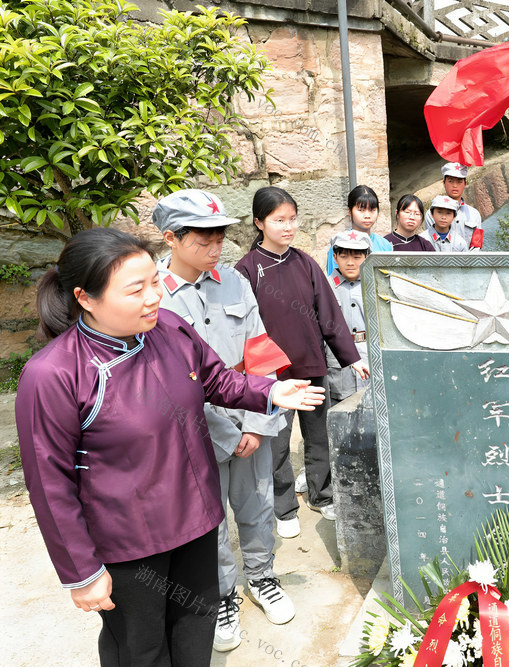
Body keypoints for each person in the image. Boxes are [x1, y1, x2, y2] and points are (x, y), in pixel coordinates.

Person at [16, 227, 324, 666]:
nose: (153, 297)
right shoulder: (54, 374)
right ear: (85, 298)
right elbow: (49, 482)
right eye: (135, 289)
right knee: (141, 649)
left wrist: (270, 392)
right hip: (129, 544)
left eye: (154, 282)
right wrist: (81, 571)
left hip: (196, 521)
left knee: (195, 630)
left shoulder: (170, 329)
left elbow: (217, 379)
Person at [151, 190, 295, 653]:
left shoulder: (235, 282)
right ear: (171, 238)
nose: (216, 247)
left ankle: (262, 576)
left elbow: (260, 352)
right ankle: (222, 594)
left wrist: (255, 424)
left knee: (257, 504)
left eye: (220, 237)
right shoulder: (153, 296)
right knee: (208, 521)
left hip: (249, 415)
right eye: (204, 238)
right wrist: (225, 434)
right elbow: (163, 383)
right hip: (195, 431)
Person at [235, 187, 368, 539]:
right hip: (272, 376)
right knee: (276, 443)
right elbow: (242, 327)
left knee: (319, 436)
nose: (288, 227)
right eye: (279, 220)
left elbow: (329, 314)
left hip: (311, 365)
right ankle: (283, 507)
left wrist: (351, 357)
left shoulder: (305, 262)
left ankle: (321, 494)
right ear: (259, 222)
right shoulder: (247, 269)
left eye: (292, 219)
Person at [326, 230, 372, 401]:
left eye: (357, 257)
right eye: (344, 256)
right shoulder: (325, 287)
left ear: (367, 257)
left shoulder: (375, 285)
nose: (350, 263)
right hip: (338, 366)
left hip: (370, 358)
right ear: (335, 257)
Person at [326, 185, 393, 275]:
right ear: (349, 211)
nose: (367, 216)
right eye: (361, 210)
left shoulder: (385, 245)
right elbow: (333, 278)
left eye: (372, 210)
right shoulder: (339, 244)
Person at [423, 162, 484, 249]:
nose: (455, 185)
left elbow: (477, 245)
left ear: (465, 183)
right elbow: (429, 242)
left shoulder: (475, 214)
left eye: (459, 182)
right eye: (450, 181)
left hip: (467, 257)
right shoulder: (431, 214)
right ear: (444, 182)